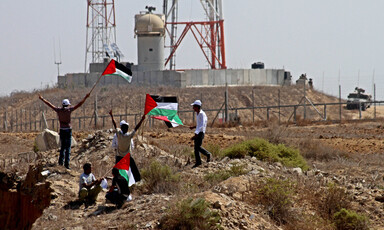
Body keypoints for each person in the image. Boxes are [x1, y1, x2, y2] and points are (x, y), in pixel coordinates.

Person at [38, 93, 90, 169]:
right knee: (68, 148)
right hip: (68, 130)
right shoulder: (69, 110)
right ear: (68, 104)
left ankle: (60, 162)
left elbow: (49, 104)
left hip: (62, 130)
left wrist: (42, 99)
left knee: (62, 147)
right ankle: (67, 164)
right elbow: (79, 104)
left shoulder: (59, 110)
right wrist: (85, 97)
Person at [109, 110, 145, 182]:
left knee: (116, 170)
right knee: (134, 169)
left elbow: (115, 125)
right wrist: (142, 120)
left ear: (121, 128)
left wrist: (112, 116)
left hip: (119, 156)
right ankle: (138, 180)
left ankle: (115, 182)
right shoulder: (129, 136)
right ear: (127, 129)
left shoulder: (118, 134)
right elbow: (136, 128)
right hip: (127, 156)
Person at [190, 100, 212, 168]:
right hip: (197, 132)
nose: (193, 108)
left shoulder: (202, 114)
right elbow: (199, 124)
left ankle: (208, 154)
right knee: (196, 148)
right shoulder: (198, 114)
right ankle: (198, 162)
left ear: (197, 107)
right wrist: (194, 127)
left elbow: (202, 125)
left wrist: (196, 134)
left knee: (197, 147)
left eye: (194, 107)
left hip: (200, 133)